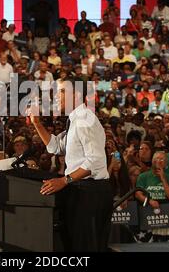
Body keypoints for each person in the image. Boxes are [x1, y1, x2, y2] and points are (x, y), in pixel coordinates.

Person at [29, 79, 113, 252]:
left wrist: (64, 181)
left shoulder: (84, 119)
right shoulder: (75, 120)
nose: (56, 97)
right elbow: (56, 147)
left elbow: (95, 160)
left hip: (91, 193)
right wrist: (37, 123)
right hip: (82, 190)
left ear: (76, 94)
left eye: (60, 92)